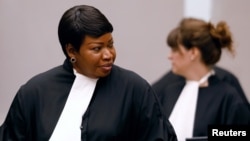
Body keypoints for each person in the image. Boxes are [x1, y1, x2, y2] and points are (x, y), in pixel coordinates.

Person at [0, 5, 177, 141]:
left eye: (110, 44)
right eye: (97, 48)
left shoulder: (135, 89)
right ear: (71, 51)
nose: (108, 55)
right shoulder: (34, 93)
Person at [151, 17, 250, 141]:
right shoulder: (169, 92)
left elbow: (240, 134)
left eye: (175, 50)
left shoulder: (228, 98)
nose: (169, 56)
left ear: (193, 53)